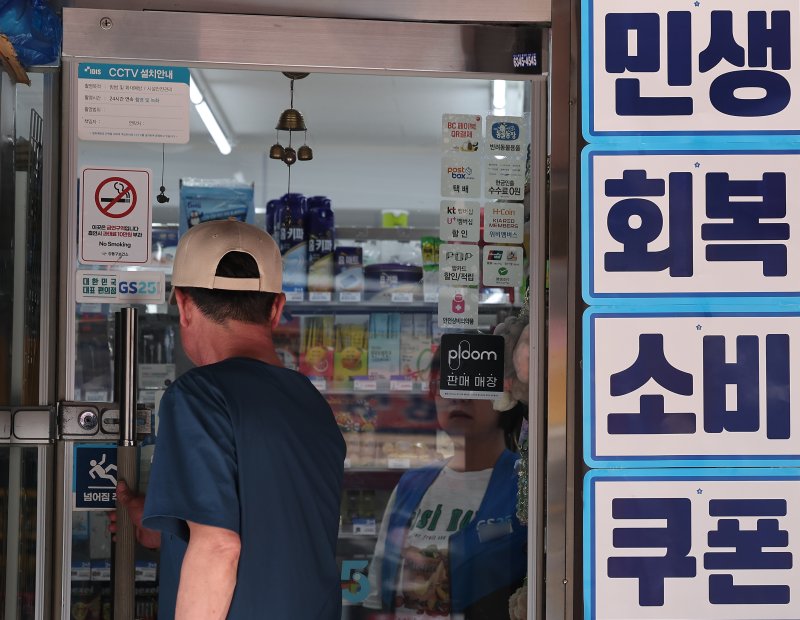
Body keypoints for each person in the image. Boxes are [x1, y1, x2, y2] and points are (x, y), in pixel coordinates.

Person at [111, 220, 346, 619]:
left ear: (183, 305)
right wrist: (161, 524)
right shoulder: (310, 402)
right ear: (277, 308)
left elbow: (218, 546)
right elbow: (271, 522)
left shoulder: (199, 396)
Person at [363, 355, 526, 619]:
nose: (459, 397)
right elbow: (376, 593)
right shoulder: (412, 483)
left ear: (506, 393)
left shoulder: (526, 482)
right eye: (446, 384)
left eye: (474, 383)